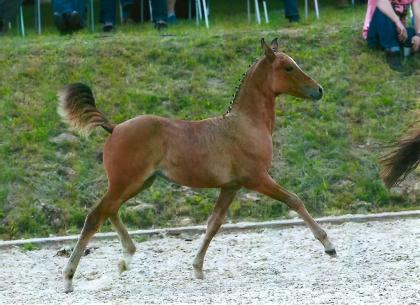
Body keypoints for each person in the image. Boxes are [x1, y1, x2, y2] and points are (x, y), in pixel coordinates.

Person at [363, 0, 420, 71]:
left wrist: (418, 34)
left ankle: (406, 50)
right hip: (377, 34)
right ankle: (393, 51)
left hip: (398, 32)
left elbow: (417, 13)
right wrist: (397, 21)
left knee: (412, 32)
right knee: (382, 10)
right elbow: (381, 2)